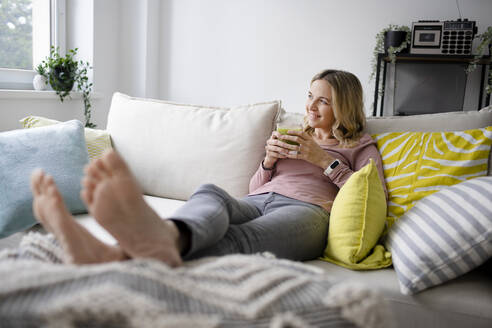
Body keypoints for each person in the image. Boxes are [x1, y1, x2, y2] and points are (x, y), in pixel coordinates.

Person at [30, 69, 387, 267]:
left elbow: (371, 196)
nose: (311, 106)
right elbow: (254, 186)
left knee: (242, 239)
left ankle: (120, 256)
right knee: (211, 193)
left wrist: (324, 161)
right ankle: (163, 236)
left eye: (323, 100)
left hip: (309, 213)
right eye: (310, 96)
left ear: (345, 105)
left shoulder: (360, 146)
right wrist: (268, 161)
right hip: (260, 199)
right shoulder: (295, 133)